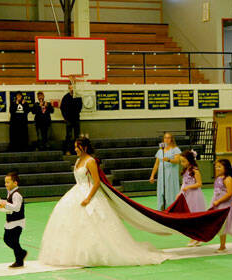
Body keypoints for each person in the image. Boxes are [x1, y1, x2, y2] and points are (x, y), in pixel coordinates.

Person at [38, 138, 167, 267]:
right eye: (75, 147)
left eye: (78, 147)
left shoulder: (90, 161)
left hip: (90, 192)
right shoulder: (78, 161)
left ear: (85, 147)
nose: (75, 149)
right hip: (76, 192)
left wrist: (88, 198)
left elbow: (97, 182)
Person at [0, 172, 27, 268]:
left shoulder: (16, 194)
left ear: (15, 183)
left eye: (8, 182)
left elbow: (16, 208)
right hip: (11, 221)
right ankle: (21, 254)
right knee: (8, 239)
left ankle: (19, 260)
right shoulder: (10, 192)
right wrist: (2, 203)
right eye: (5, 182)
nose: (6, 184)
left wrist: (5, 204)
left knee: (13, 241)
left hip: (17, 222)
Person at [178, 150, 205, 246]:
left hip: (195, 195)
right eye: (181, 161)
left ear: (189, 160)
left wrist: (188, 187)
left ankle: (197, 237)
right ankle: (193, 237)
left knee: (195, 215)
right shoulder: (186, 170)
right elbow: (184, 183)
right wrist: (180, 192)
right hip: (188, 195)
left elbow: (199, 183)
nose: (182, 163)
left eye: (184, 161)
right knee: (189, 215)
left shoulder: (195, 170)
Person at [210, 159, 232, 252]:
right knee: (220, 225)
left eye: (219, 167)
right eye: (216, 166)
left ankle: (228, 241)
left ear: (226, 168)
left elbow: (229, 193)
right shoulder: (218, 178)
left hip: (225, 204)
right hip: (217, 203)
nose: (217, 168)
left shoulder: (228, 179)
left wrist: (219, 201)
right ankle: (226, 242)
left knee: (224, 224)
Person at [149, 132, 182, 210]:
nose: (166, 139)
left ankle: (171, 207)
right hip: (162, 174)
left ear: (171, 139)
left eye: (168, 138)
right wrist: (152, 175)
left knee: (170, 191)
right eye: (165, 138)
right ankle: (162, 207)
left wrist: (169, 160)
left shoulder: (175, 149)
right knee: (162, 191)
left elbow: (178, 161)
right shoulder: (160, 150)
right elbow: (156, 164)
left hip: (171, 174)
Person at [60, 83, 83, 155]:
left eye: (73, 88)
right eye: (70, 88)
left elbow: (80, 106)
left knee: (77, 135)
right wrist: (65, 117)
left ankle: (77, 151)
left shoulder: (78, 97)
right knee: (68, 136)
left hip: (76, 118)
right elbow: (62, 108)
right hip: (68, 119)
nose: (72, 89)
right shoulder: (66, 97)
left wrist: (76, 113)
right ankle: (68, 150)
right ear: (69, 88)